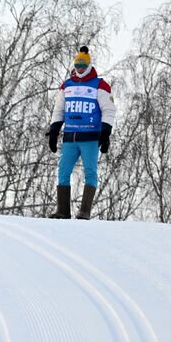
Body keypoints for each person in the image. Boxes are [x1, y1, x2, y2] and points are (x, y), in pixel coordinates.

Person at [47, 46, 115, 220]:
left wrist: (105, 133)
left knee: (90, 172)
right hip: (70, 136)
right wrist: (54, 130)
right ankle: (63, 211)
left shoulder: (100, 85)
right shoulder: (67, 85)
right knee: (63, 171)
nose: (80, 69)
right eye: (77, 65)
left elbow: (108, 110)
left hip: (90, 137)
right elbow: (59, 109)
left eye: (83, 65)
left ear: (89, 65)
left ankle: (84, 211)